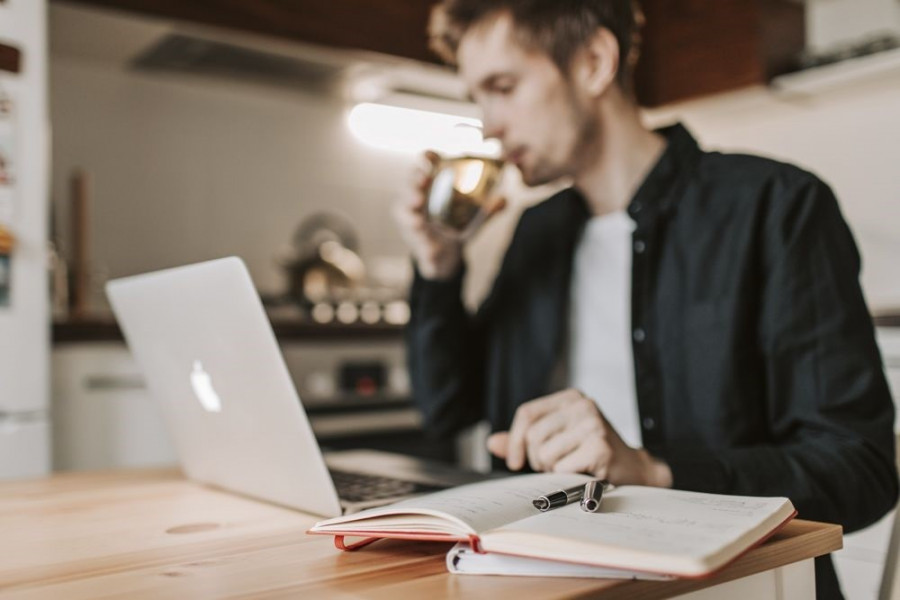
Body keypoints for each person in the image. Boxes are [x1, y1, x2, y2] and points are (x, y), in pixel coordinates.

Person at [394, 1, 898, 597]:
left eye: (502, 88)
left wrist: (653, 472)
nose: (490, 126)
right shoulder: (537, 232)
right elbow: (446, 409)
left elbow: (860, 469)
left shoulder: (776, 205)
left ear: (593, 62)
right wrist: (438, 267)